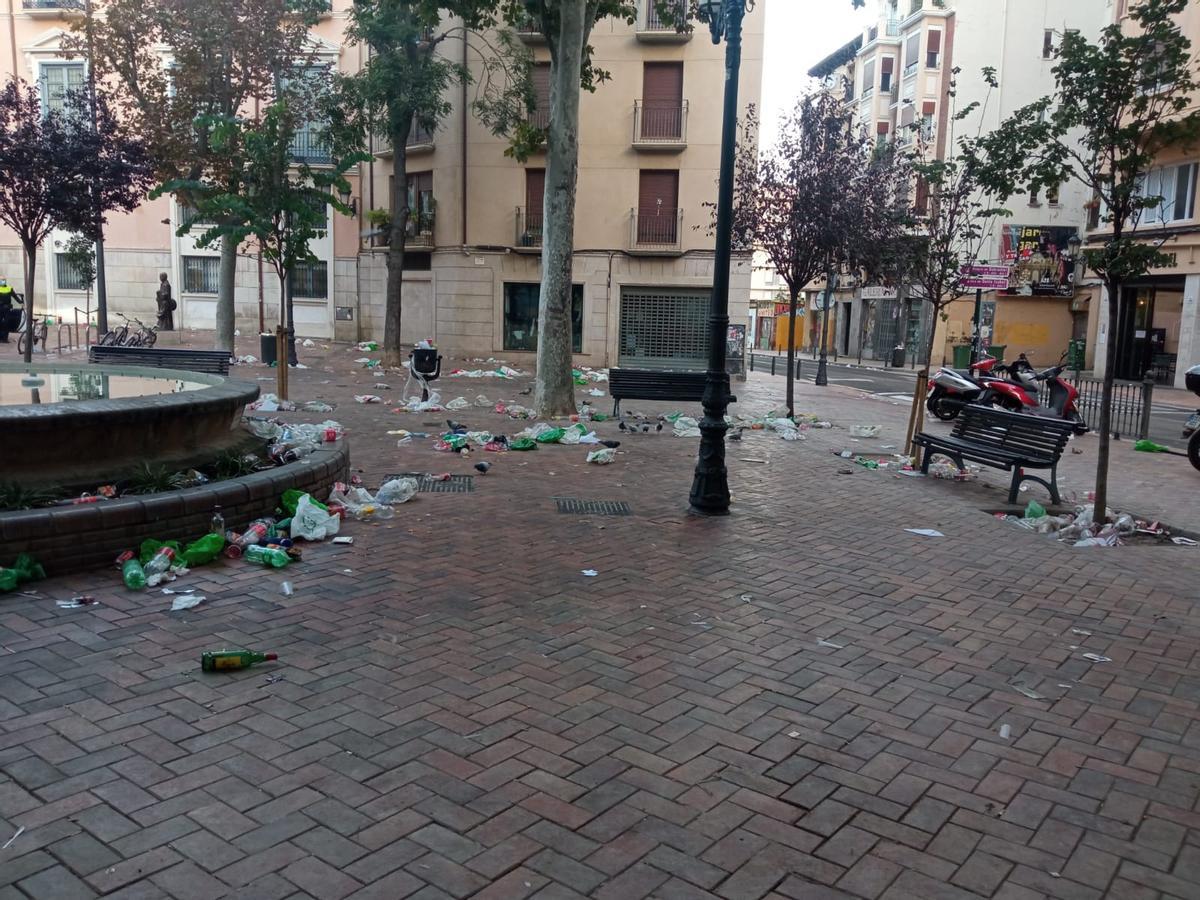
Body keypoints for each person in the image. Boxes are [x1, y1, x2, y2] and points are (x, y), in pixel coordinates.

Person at [0, 278, 22, 343]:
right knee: (2, 323)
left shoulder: (9, 288)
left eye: (3, 280)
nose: (2, 281)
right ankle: (2, 338)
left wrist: (20, 302)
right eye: (1, 280)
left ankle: (4, 338)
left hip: (7, 308)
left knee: (7, 323)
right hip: (1, 308)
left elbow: (15, 296)